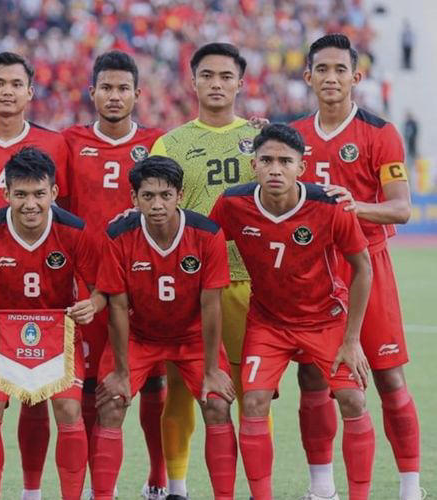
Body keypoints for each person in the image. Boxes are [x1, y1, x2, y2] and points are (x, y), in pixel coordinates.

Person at [209, 124, 374, 500]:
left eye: (285, 161)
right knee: (253, 402)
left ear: (302, 166)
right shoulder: (232, 203)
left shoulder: (329, 205)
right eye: (266, 160)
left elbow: (363, 267)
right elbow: (198, 240)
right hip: (267, 323)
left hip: (325, 320)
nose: (275, 169)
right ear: (254, 165)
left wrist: (352, 341)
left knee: (353, 399)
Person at [292, 33, 420, 500]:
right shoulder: (294, 136)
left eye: (340, 69)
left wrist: (354, 207)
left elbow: (401, 208)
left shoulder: (380, 133)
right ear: (308, 76)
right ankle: (321, 486)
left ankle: (410, 486)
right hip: (313, 270)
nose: (331, 77)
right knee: (312, 376)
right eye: (322, 69)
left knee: (388, 377)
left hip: (368, 264)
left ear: (356, 76)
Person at [148, 42, 263, 500]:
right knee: (181, 388)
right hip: (188, 283)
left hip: (247, 281)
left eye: (226, 76)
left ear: (241, 83)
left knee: (252, 391)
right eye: (208, 75)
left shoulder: (261, 139)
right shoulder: (169, 143)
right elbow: (154, 211)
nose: (217, 84)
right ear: (193, 82)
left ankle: (257, 489)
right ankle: (177, 488)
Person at [0, 147, 98, 500]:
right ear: (6, 194)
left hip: (58, 330)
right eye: (21, 195)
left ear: (53, 193)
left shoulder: (74, 230)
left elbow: (101, 288)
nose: (30, 204)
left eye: (38, 194)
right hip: (1, 330)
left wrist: (92, 304)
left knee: (69, 408)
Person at [0, 52, 71, 500]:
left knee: (35, 393)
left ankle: (31, 491)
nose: (7, 91)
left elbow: (65, 213)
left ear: (30, 91)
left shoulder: (54, 143)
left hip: (38, 289)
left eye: (15, 83)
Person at [91, 155, 237, 500]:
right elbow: (117, 305)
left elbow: (211, 304)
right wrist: (122, 372)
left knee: (217, 403)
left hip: (192, 337)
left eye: (165, 195)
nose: (157, 205)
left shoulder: (207, 233)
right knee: (111, 402)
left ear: (179, 195)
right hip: (139, 337)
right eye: (148, 196)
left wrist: (212, 370)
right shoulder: (118, 235)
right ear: (134, 198)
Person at [61, 50, 168, 498]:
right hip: (88, 283)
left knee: (153, 382)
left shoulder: (157, 142)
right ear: (92, 92)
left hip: (142, 281)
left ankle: (159, 478)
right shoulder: (69, 141)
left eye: (123, 88)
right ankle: (94, 486)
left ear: (137, 94)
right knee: (93, 386)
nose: (114, 95)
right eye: (106, 87)